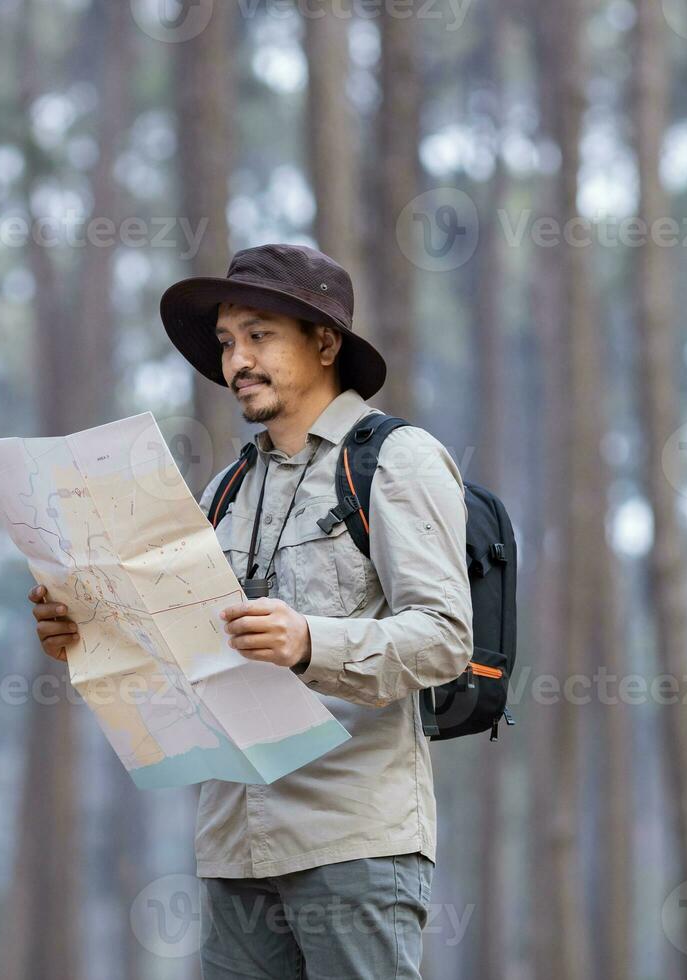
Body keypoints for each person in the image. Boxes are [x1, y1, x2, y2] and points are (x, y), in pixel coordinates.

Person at [28, 244, 474, 978]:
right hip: (234, 843)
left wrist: (308, 642)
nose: (238, 360)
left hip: (352, 836)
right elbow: (183, 653)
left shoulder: (397, 461)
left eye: (260, 335)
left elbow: (444, 638)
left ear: (325, 342)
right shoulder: (225, 491)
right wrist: (85, 634)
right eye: (228, 342)